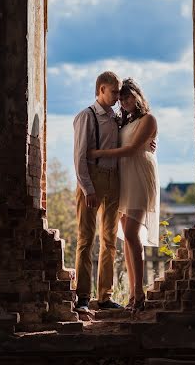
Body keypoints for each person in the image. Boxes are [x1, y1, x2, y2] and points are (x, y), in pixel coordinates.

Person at [88, 78, 160, 313]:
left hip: (139, 178)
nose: (126, 101)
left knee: (131, 233)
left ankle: (139, 293)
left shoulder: (148, 119)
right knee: (127, 240)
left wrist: (98, 152)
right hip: (123, 179)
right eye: (122, 98)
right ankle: (132, 294)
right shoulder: (123, 122)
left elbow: (130, 150)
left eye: (129, 97)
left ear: (138, 96)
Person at [73, 71, 123, 313]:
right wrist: (88, 189)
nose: (117, 97)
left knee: (110, 241)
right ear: (101, 89)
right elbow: (80, 157)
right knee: (85, 239)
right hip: (92, 178)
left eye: (118, 92)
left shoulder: (117, 117)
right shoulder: (87, 116)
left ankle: (105, 297)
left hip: (114, 180)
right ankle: (82, 297)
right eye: (114, 92)